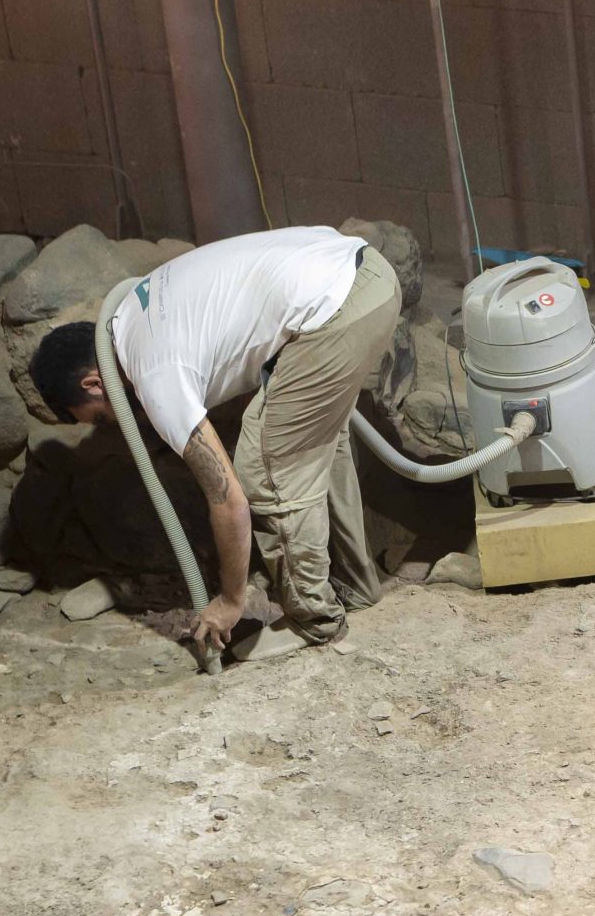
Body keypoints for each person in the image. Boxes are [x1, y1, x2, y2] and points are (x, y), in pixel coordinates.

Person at [28, 225, 404, 662]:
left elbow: (229, 501)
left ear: (94, 382)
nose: (110, 424)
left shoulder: (154, 374)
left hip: (335, 309)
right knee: (312, 441)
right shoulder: (129, 310)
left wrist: (230, 599)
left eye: (98, 415)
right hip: (367, 275)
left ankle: (314, 619)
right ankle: (358, 587)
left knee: (266, 468)